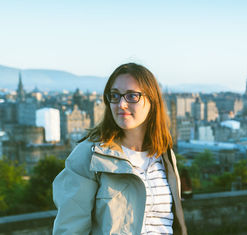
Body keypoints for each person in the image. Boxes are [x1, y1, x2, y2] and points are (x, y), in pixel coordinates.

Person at [52, 63, 187, 234]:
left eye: (132, 96)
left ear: (152, 100)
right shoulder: (90, 155)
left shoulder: (165, 155)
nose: (121, 104)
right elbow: (69, 229)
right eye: (115, 95)